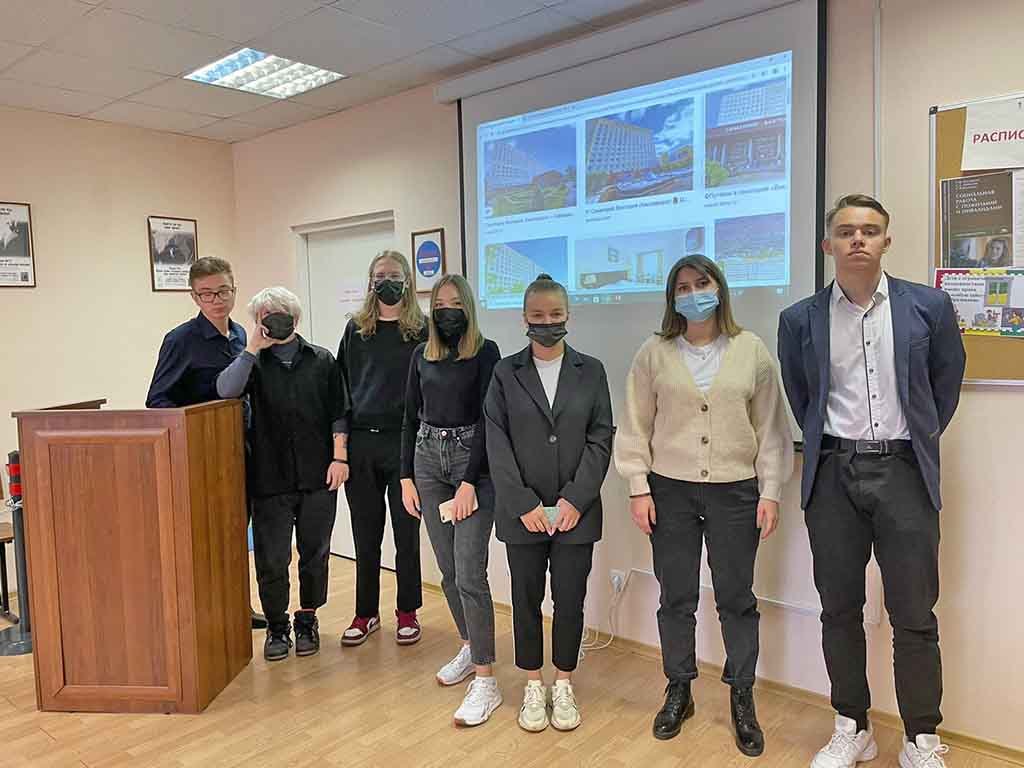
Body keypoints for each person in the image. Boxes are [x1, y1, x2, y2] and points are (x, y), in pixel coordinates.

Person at [777, 194, 966, 768]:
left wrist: (910, 442)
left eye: (869, 230)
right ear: (827, 244)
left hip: (905, 472)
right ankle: (852, 726)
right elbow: (802, 397)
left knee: (915, 613)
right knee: (839, 609)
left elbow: (944, 387)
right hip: (833, 474)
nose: (858, 239)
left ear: (887, 240)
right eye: (846, 231)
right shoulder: (799, 319)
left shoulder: (928, 307)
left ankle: (919, 738)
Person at [615, 254, 793, 754]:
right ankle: (679, 689)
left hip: (735, 492)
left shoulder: (750, 350)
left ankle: (741, 695)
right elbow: (634, 424)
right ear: (672, 298)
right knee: (676, 596)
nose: (694, 294)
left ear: (720, 288)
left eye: (702, 283)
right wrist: (637, 486)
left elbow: (771, 428)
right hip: (669, 490)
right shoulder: (654, 352)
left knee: (736, 597)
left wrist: (771, 490)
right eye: (683, 287)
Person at [484, 274, 613, 733]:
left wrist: (576, 498)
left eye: (555, 314)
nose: (547, 322)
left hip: (577, 512)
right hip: (523, 514)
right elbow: (496, 442)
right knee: (525, 600)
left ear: (568, 316)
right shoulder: (505, 373)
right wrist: (523, 503)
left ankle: (563, 682)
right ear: (524, 318)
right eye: (537, 316)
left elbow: (601, 437)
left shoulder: (591, 370)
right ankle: (532, 683)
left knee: (570, 600)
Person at [216, 287, 347, 662]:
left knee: (315, 553)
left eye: (281, 313)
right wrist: (252, 347)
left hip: (318, 474)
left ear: (296, 318)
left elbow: (339, 411)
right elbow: (226, 390)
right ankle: (277, 626)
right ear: (257, 321)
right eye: (266, 315)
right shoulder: (253, 364)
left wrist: (340, 458)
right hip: (269, 477)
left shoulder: (322, 360)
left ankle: (307, 619)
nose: (275, 319)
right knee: (272, 559)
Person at [400, 274, 502, 727]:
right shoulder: (421, 355)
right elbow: (409, 417)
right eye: (440, 303)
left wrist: (470, 483)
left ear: (469, 307)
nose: (447, 310)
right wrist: (406, 476)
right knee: (447, 572)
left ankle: (487, 679)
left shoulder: (486, 352)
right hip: (427, 462)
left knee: (470, 574)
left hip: (471, 464)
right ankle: (468, 645)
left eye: (455, 303)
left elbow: (488, 420)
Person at [145, 256, 267, 630]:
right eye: (207, 293)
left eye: (223, 291)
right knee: (205, 539)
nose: (216, 299)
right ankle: (204, 616)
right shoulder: (180, 340)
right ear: (194, 297)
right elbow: (157, 400)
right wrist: (191, 432)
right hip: (201, 455)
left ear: (234, 291)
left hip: (240, 450)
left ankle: (237, 608)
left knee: (235, 533)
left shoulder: (241, 335)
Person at [336, 251, 428, 647]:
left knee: (407, 534)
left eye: (393, 275)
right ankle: (365, 613)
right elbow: (340, 389)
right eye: (379, 276)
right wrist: (340, 448)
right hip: (362, 444)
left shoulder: (423, 330)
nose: (386, 282)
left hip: (406, 444)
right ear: (370, 282)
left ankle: (407, 611)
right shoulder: (356, 330)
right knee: (365, 533)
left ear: (407, 279)